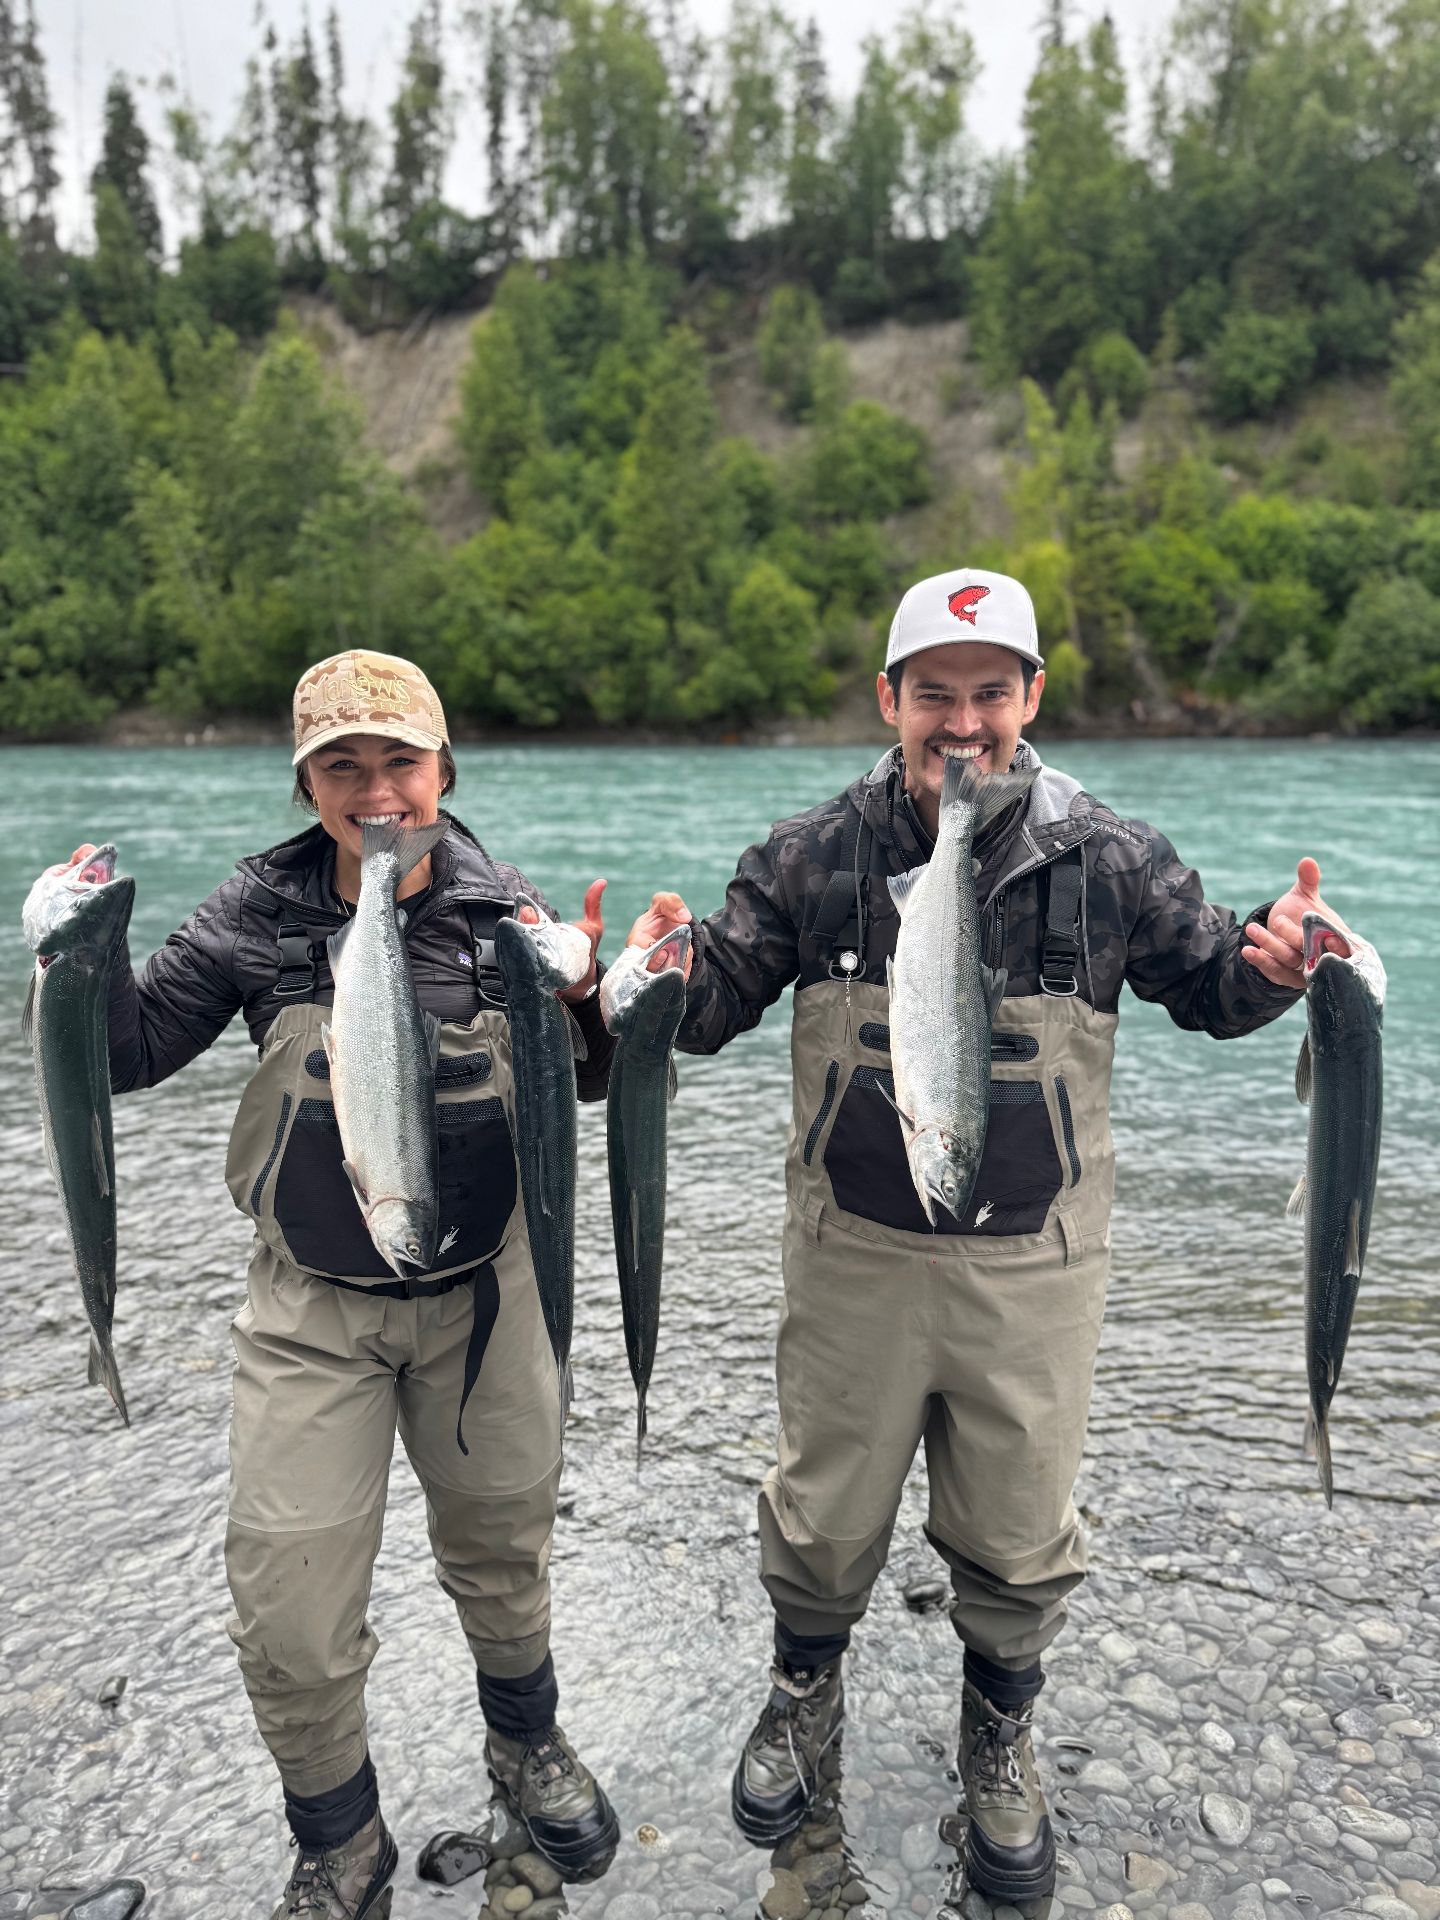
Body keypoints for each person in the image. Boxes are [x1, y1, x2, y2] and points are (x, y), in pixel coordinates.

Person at [627, 568, 1348, 1903]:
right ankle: (802, 1692)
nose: (964, 723)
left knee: (1019, 1524)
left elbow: (1208, 979)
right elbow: (714, 999)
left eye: (991, 694)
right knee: (823, 1507)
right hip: (853, 1250)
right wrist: (645, 976)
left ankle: (1000, 1728)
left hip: (1038, 1269)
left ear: (1029, 699)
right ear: (888, 699)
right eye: (936, 696)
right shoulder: (811, 854)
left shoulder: (1112, 856)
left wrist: (1279, 960)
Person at [54, 650, 620, 1920]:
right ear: (307, 781)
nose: (376, 793)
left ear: (443, 770)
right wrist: (74, 956)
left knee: (503, 1547)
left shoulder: (498, 904)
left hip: (487, 1296)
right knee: (289, 1598)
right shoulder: (257, 910)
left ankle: (523, 1743)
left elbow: (585, 1082)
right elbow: (131, 1053)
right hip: (312, 1305)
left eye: (399, 763)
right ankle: (341, 1836)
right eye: (342, 767)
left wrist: (588, 996)